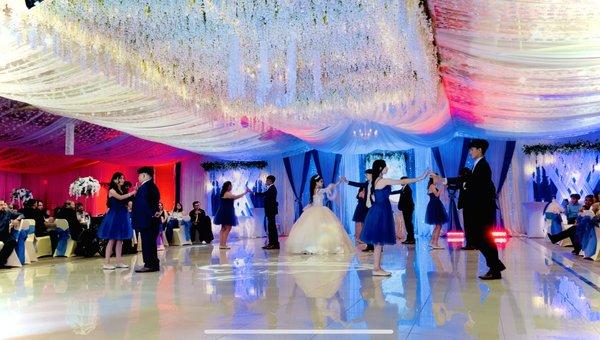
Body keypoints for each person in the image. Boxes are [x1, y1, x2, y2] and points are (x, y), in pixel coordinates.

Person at [433, 139, 506, 280]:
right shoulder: (477, 165)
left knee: (483, 239)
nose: (470, 151)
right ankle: (495, 267)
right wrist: (447, 180)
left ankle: (495, 268)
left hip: (483, 210)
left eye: (472, 149)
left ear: (479, 150)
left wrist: (444, 179)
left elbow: (470, 182)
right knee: (481, 239)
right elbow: (467, 181)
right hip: (481, 209)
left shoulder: (483, 166)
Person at [361, 160, 428, 276]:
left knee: (378, 243)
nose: (387, 168)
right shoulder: (382, 180)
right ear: (381, 168)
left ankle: (377, 268)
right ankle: (376, 269)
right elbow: (402, 181)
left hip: (378, 210)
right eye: (386, 166)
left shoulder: (375, 181)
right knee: (378, 242)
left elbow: (373, 198)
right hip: (380, 212)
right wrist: (420, 178)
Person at [286, 175, 354, 254]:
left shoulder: (315, 190)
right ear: (316, 182)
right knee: (318, 228)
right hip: (319, 210)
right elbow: (330, 188)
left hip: (316, 209)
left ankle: (312, 246)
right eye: (321, 181)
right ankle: (317, 246)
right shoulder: (318, 190)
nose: (322, 182)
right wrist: (339, 182)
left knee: (315, 229)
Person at [97, 172, 136, 270]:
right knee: (111, 240)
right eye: (121, 178)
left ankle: (119, 262)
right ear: (115, 179)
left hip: (122, 215)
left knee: (120, 240)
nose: (123, 180)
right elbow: (120, 198)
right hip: (114, 216)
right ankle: (106, 263)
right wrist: (132, 192)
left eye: (123, 178)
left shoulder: (121, 189)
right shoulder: (112, 190)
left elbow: (125, 200)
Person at [132, 166, 161, 273]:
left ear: (144, 175)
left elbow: (144, 205)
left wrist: (152, 214)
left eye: (139, 175)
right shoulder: (151, 186)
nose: (138, 177)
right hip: (150, 220)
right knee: (150, 243)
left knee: (147, 243)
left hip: (147, 220)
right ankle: (153, 264)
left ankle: (149, 264)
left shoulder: (145, 187)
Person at [213, 181, 251, 249]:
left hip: (224, 211)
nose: (231, 187)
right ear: (228, 186)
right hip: (227, 212)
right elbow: (236, 197)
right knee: (227, 228)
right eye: (230, 185)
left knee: (223, 228)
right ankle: (223, 245)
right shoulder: (227, 193)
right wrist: (245, 192)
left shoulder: (225, 193)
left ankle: (222, 244)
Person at [346, 170, 373, 247]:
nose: (366, 176)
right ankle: (368, 243)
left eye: (367, 175)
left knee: (369, 224)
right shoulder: (367, 183)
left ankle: (372, 243)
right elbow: (357, 184)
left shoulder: (375, 183)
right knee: (364, 223)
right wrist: (347, 181)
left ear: (371, 174)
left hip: (371, 207)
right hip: (365, 207)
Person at [255, 175, 280, 250]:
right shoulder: (270, 188)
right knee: (270, 227)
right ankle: (271, 243)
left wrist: (253, 193)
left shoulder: (272, 189)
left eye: (267, 180)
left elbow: (265, 195)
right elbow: (265, 195)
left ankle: (274, 244)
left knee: (272, 228)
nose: (266, 182)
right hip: (270, 211)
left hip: (271, 211)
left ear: (270, 181)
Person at [426, 173, 449, 249]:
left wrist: (444, 187)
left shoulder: (433, 186)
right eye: (436, 178)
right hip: (434, 205)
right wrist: (442, 187)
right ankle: (434, 243)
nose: (437, 180)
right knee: (438, 225)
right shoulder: (432, 186)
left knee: (438, 226)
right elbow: (436, 195)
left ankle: (432, 242)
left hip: (435, 204)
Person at [391, 176, 416, 245]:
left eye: (401, 181)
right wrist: (389, 192)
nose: (400, 182)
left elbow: (407, 201)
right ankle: (409, 238)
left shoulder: (407, 189)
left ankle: (411, 239)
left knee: (409, 224)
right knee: (407, 224)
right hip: (406, 209)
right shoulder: (404, 188)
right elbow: (398, 191)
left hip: (408, 209)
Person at [0, 200, 22, 268]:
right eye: (1, 205)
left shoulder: (8, 213)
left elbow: (22, 214)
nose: (3, 206)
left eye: (4, 204)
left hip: (4, 234)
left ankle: (1, 262)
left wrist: (18, 219)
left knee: (12, 242)